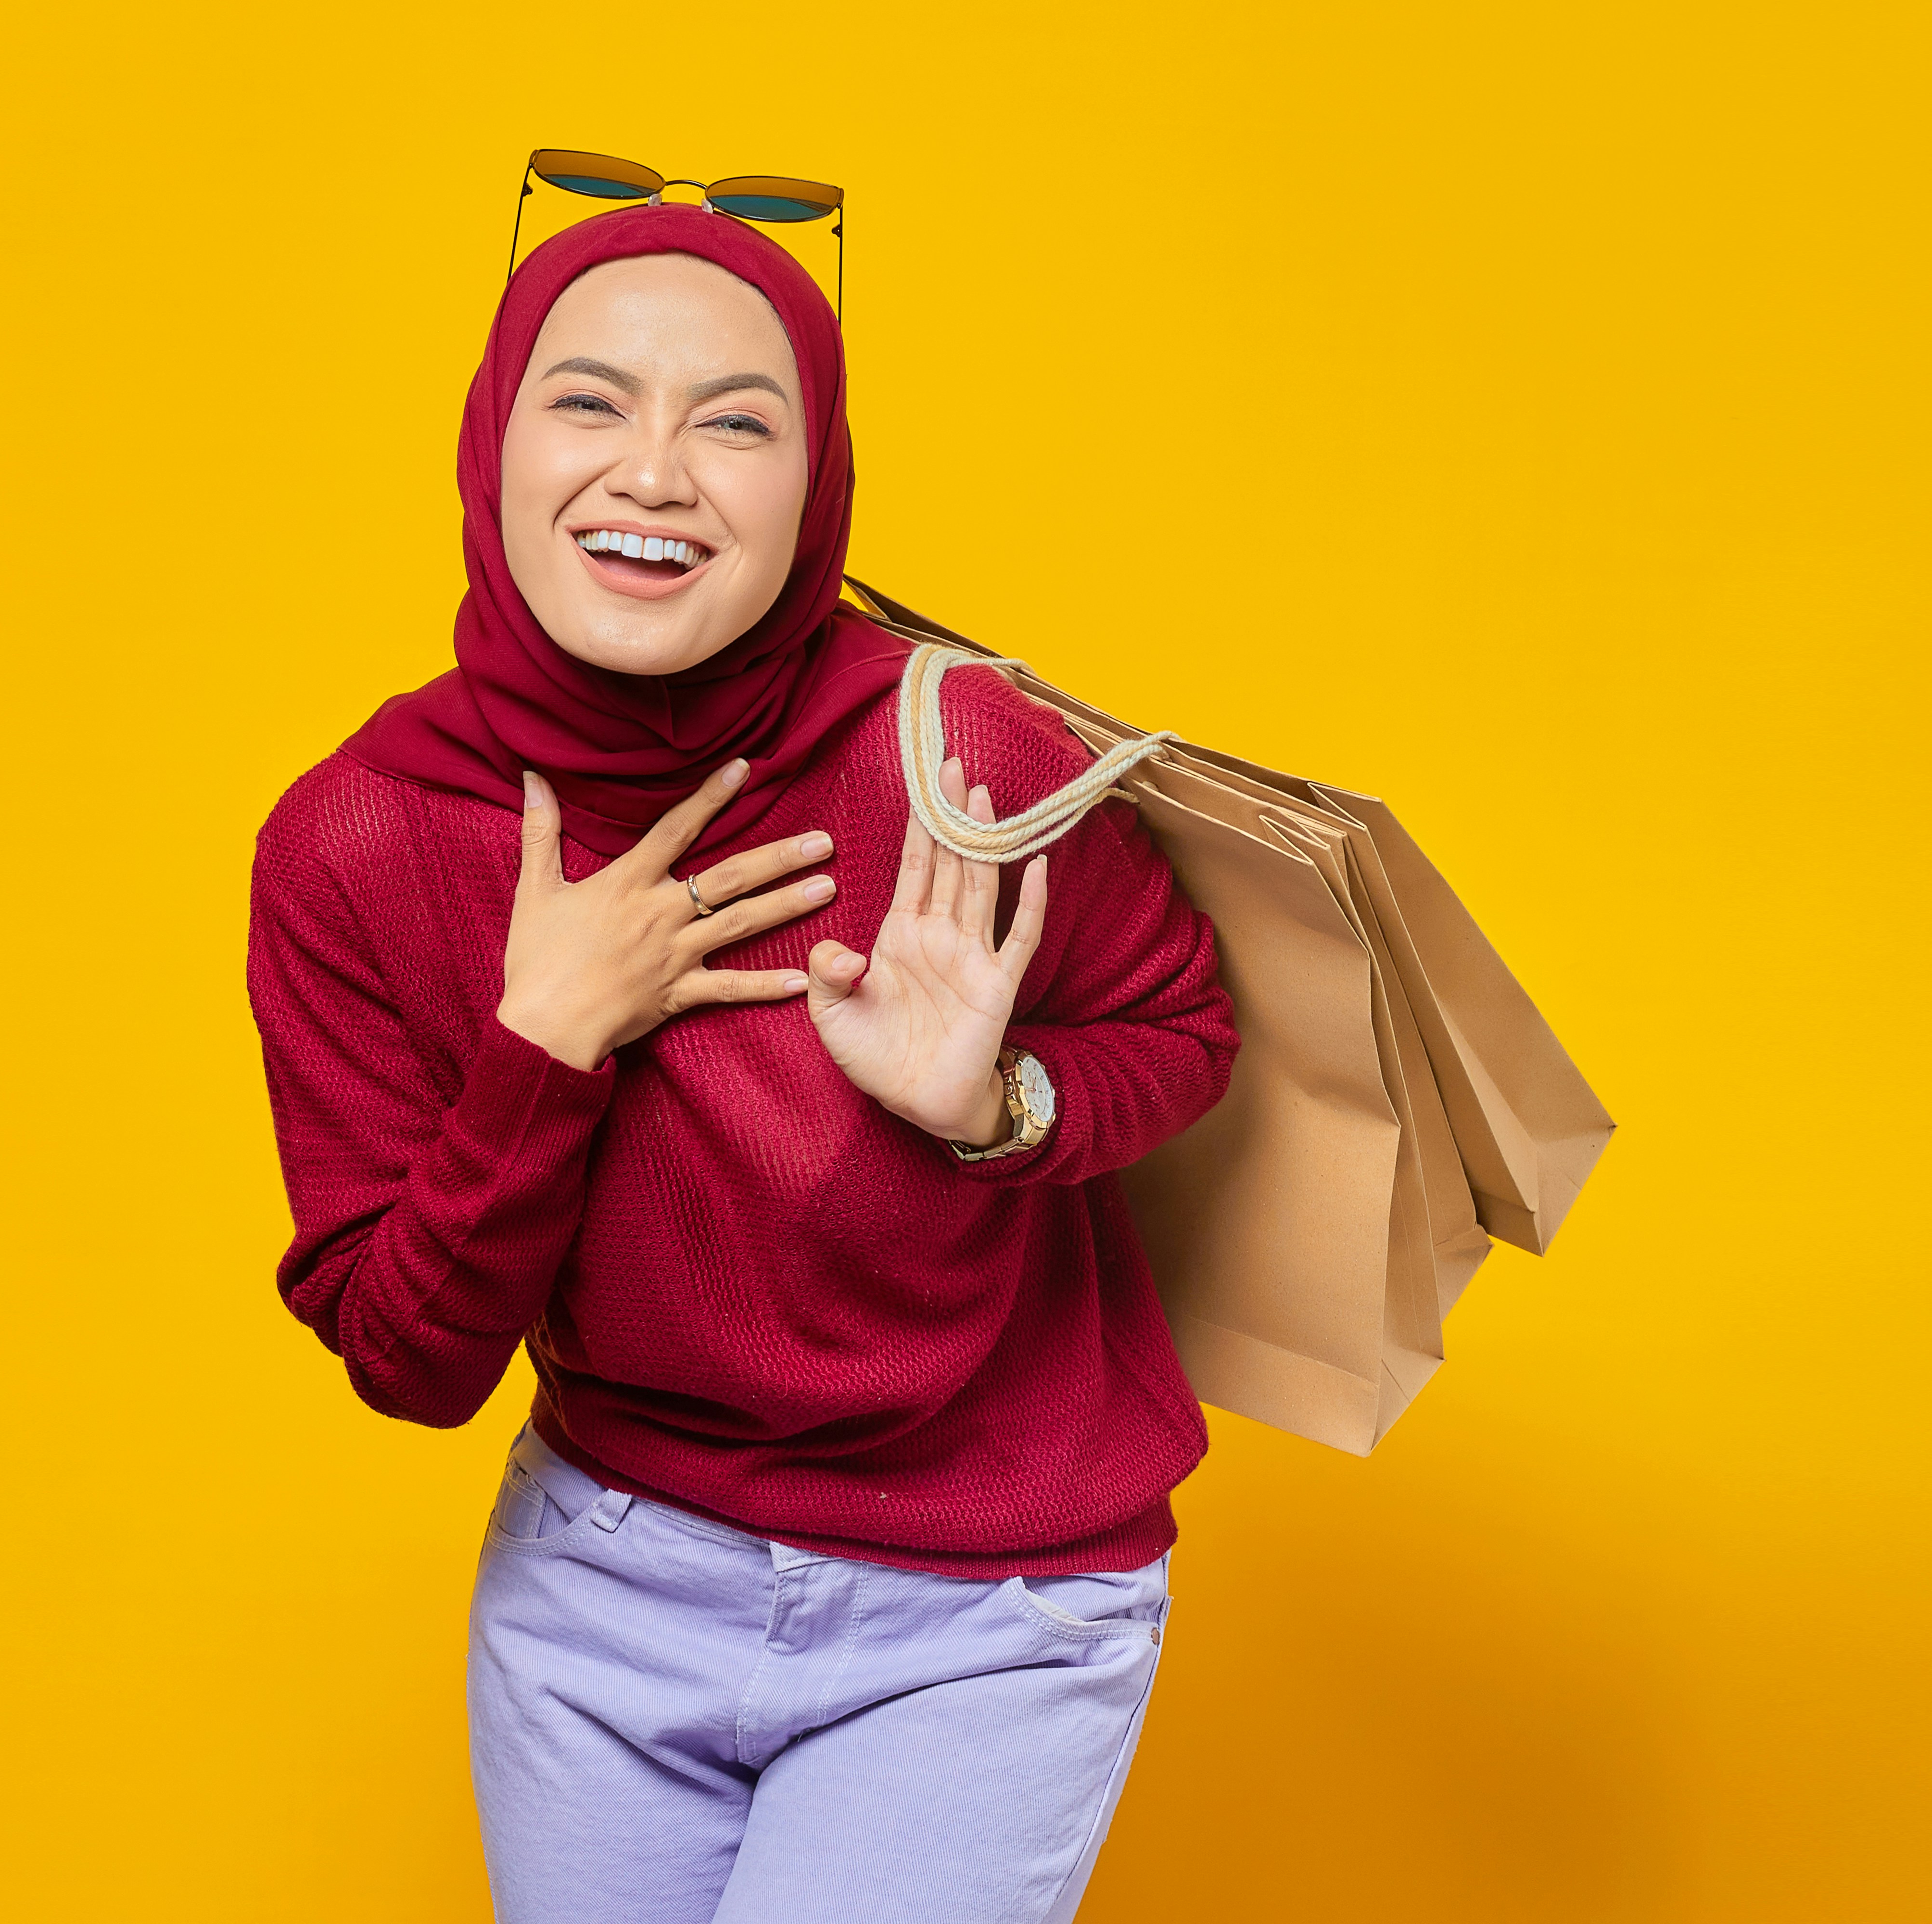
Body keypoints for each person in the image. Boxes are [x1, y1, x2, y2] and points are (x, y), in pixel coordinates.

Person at [246, 200, 1238, 1924]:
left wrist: (996, 1109)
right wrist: (544, 1044)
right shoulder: (360, 841)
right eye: (590, 402)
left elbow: (1185, 1030)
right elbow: (409, 1362)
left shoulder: (958, 753)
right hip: (606, 1588)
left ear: (817, 486)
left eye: (735, 421)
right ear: (493, 441)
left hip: (985, 1607)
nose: (654, 470)